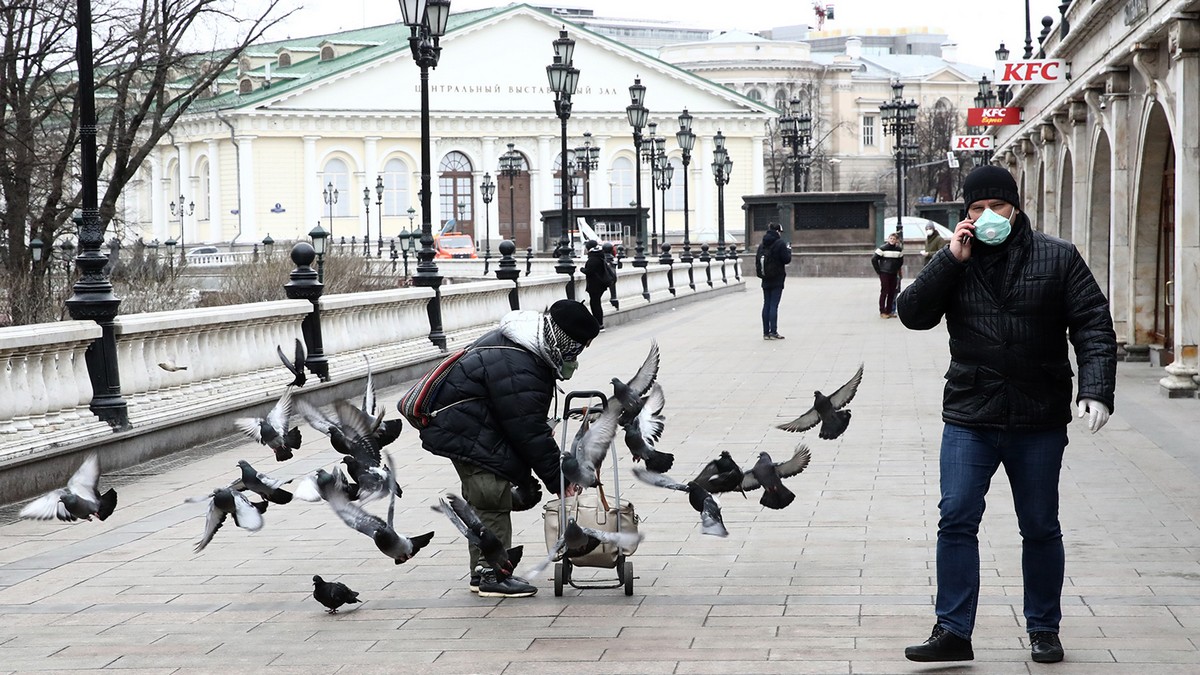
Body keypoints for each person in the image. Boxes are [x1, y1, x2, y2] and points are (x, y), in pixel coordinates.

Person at [897, 165, 1117, 664]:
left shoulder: (1058, 257)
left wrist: (1097, 389)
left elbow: (1093, 326)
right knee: (955, 518)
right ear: (965, 215)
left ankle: (1043, 628)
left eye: (998, 207)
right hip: (971, 415)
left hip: (1037, 416)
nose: (989, 216)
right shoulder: (957, 258)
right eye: (978, 209)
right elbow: (913, 314)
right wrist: (949, 261)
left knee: (1039, 524)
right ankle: (952, 629)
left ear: (1015, 208)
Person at [417, 299, 600, 598]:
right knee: (490, 494)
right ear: (564, 341)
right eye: (577, 349)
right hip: (464, 428)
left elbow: (521, 425)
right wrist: (558, 479)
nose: (576, 358)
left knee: (487, 493)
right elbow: (527, 430)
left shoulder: (527, 347)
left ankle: (483, 571)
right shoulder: (520, 364)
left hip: (471, 424)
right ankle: (492, 575)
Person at [755, 221, 792, 339]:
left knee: (766, 304)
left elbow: (757, 261)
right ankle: (773, 332)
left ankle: (765, 333)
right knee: (773, 305)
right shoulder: (780, 244)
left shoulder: (762, 244)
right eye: (780, 232)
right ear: (777, 231)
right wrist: (789, 250)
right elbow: (786, 260)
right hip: (777, 278)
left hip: (765, 278)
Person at [872, 231, 904, 318]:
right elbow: (874, 259)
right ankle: (882, 311)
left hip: (893, 273)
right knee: (884, 291)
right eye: (891, 238)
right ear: (888, 239)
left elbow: (901, 261)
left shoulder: (898, 250)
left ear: (896, 240)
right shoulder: (883, 248)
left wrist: (896, 268)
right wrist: (879, 270)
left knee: (892, 292)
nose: (892, 240)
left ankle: (889, 311)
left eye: (894, 239)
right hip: (884, 272)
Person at [582, 240, 611, 330]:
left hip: (595, 285)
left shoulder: (593, 258)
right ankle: (599, 323)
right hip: (600, 284)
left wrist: (581, 269)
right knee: (596, 303)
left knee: (595, 304)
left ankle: (599, 324)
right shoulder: (599, 256)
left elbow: (589, 271)